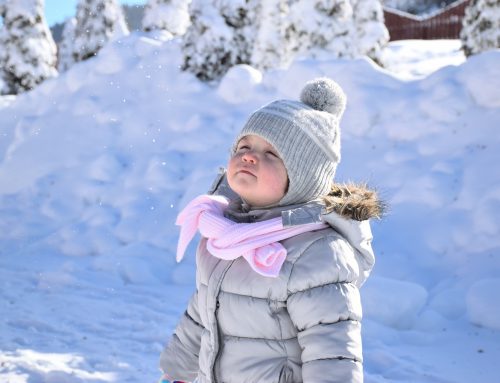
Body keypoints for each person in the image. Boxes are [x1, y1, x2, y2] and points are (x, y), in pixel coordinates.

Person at [159, 77, 383, 383]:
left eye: (272, 154)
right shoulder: (225, 232)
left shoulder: (318, 251)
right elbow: (203, 312)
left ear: (302, 178)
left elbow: (332, 351)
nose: (250, 156)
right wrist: (177, 371)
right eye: (245, 146)